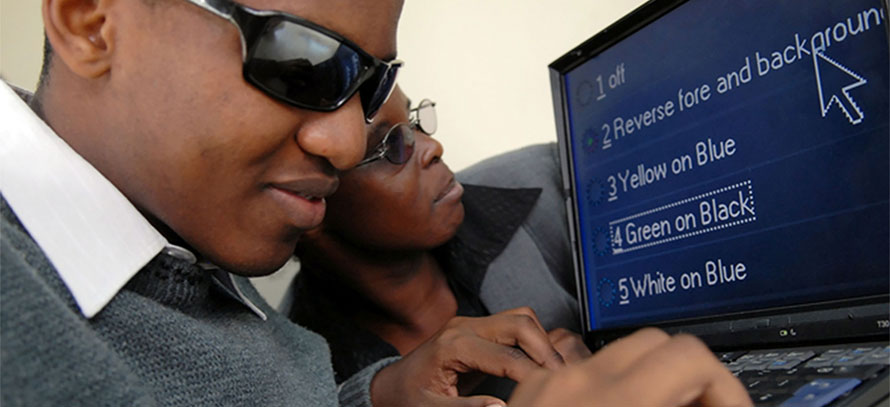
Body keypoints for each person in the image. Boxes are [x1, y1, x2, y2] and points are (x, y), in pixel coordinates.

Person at [0, 0, 752, 405]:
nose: (344, 140)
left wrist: (379, 399)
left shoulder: (192, 262)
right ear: (89, 19)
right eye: (299, 62)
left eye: (372, 88)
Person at [289, 86, 586, 396]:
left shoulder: (555, 179)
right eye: (390, 145)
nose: (433, 147)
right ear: (308, 203)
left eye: (414, 123)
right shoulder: (303, 384)